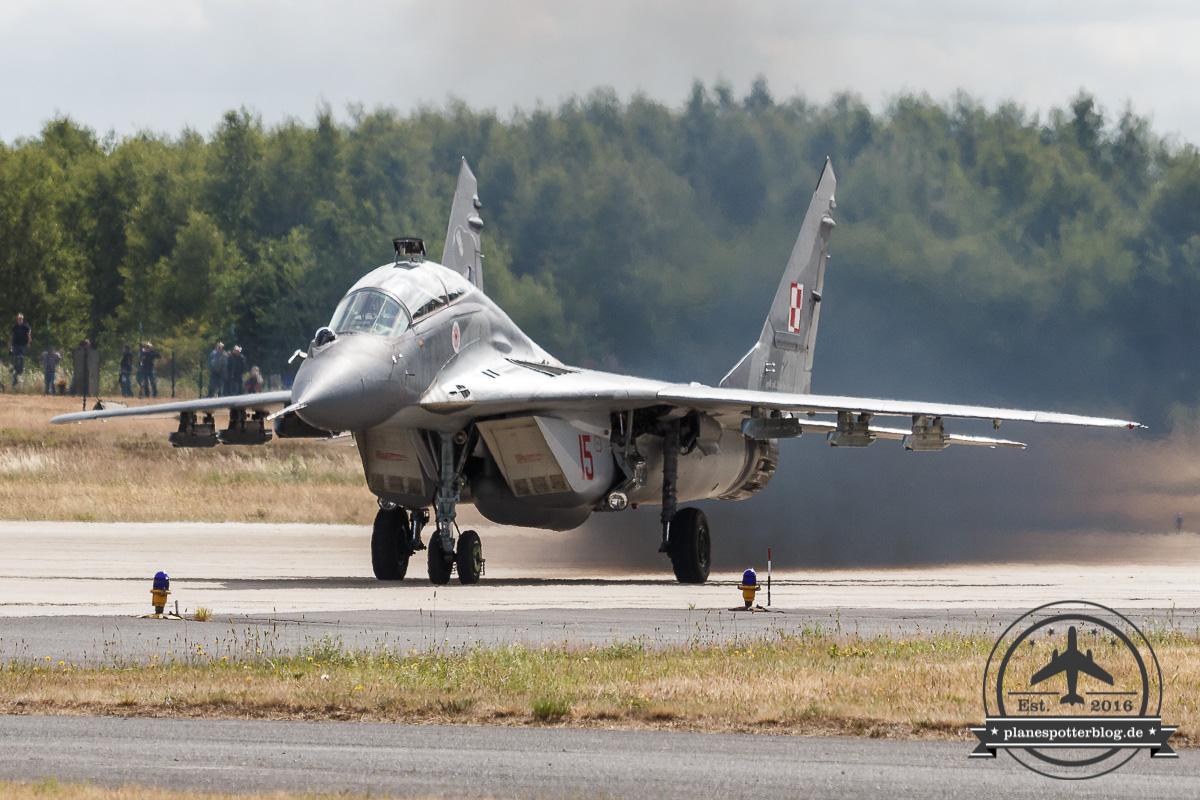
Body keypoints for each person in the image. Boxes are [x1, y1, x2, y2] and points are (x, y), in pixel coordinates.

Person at [9, 313, 31, 389]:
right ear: (17, 320)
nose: (20, 320)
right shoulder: (14, 327)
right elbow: (12, 336)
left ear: (22, 319)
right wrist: (10, 345)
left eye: (21, 319)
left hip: (22, 345)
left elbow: (28, 335)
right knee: (15, 359)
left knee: (21, 358)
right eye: (19, 319)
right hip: (15, 345)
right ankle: (15, 376)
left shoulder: (26, 327)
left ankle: (19, 371)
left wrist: (28, 343)